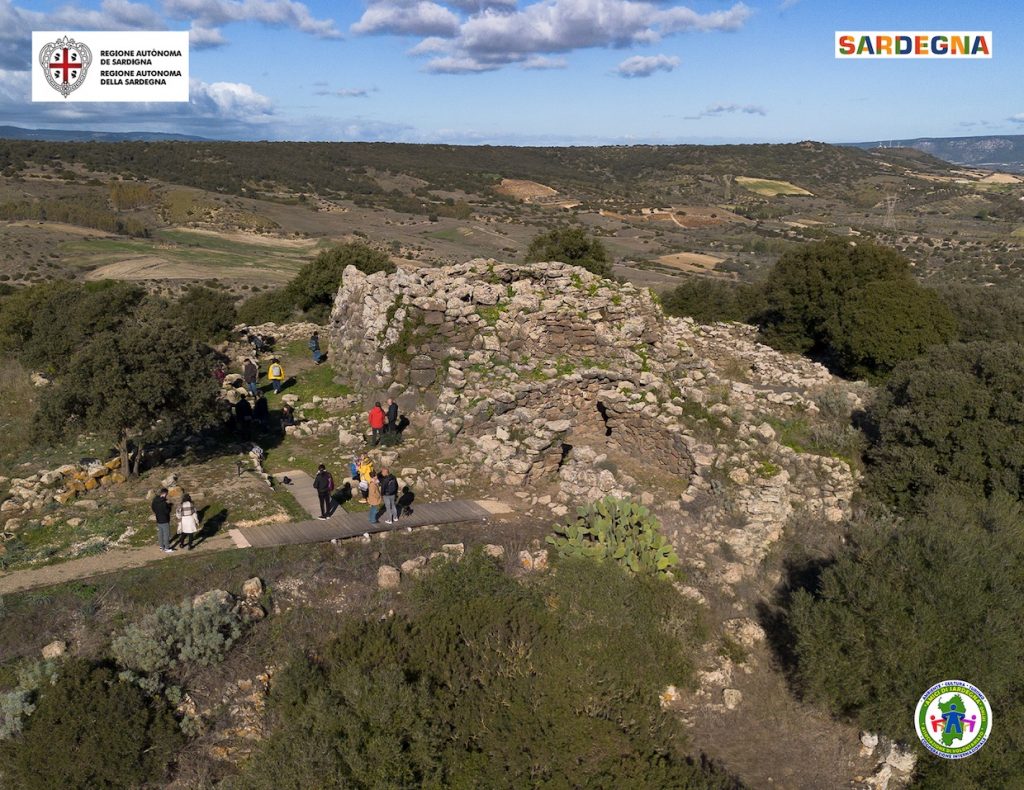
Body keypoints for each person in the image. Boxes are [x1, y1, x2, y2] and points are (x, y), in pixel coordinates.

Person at [151, 487, 174, 553]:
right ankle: (167, 548)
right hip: (165, 520)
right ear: (165, 493)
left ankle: (161, 546)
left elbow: (153, 508)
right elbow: (167, 511)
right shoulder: (164, 503)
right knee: (166, 534)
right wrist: (169, 507)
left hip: (158, 519)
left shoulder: (155, 500)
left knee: (160, 533)